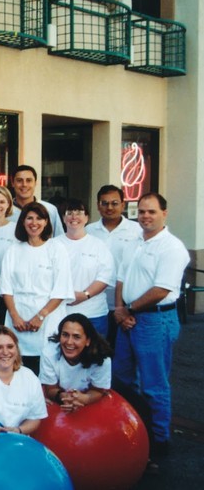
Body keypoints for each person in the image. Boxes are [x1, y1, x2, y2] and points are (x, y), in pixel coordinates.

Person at [113, 192, 189, 462]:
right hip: (129, 319)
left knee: (154, 385)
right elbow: (121, 278)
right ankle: (134, 432)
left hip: (155, 320)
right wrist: (121, 310)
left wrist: (129, 310)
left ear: (164, 214)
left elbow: (161, 289)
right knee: (122, 378)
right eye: (142, 211)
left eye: (152, 212)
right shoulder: (134, 241)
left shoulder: (172, 248)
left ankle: (158, 442)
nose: (145, 216)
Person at [0, 202, 74, 374]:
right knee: (16, 367)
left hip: (47, 319)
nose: (34, 223)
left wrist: (40, 316)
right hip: (18, 320)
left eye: (39, 218)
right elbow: (6, 288)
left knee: (47, 369)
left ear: (47, 222)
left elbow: (61, 289)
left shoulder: (56, 248)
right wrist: (15, 316)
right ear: (23, 222)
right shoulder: (13, 250)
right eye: (29, 218)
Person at [87, 184, 142, 346]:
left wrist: (128, 308)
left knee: (125, 353)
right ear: (98, 205)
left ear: (123, 204)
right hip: (96, 303)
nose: (109, 207)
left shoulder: (137, 231)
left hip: (127, 303)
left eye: (114, 203)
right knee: (99, 350)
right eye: (104, 203)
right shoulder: (89, 231)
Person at [56, 199, 115, 337]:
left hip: (93, 314)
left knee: (94, 356)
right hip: (60, 313)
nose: (74, 217)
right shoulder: (53, 245)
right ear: (64, 218)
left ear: (87, 218)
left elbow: (105, 277)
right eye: (69, 213)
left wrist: (84, 295)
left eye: (79, 213)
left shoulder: (99, 245)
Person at [40, 313, 112, 412]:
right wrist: (64, 397)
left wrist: (85, 398)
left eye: (76, 337)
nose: (69, 342)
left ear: (88, 341)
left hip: (90, 402)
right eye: (65, 335)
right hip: (58, 399)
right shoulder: (49, 352)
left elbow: (98, 390)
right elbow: (50, 388)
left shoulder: (102, 359)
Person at [8, 165, 64, 236]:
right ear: (12, 183)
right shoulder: (5, 211)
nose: (24, 184)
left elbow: (59, 239)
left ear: (35, 183)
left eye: (29, 180)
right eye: (19, 180)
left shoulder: (50, 209)